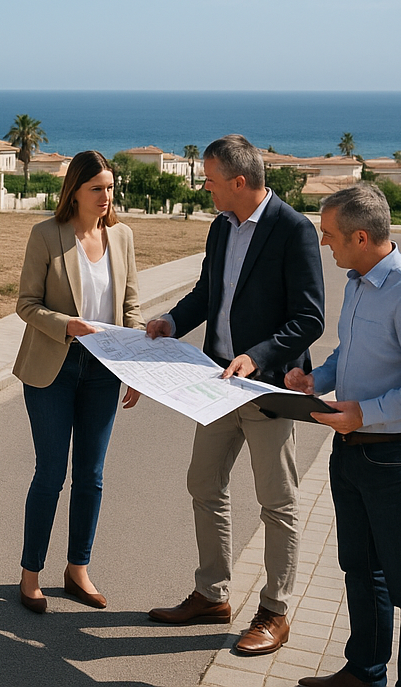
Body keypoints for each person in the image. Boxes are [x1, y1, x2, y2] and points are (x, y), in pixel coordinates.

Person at [145, 134, 324, 657]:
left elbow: (310, 317)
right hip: (215, 384)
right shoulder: (221, 228)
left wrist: (261, 355)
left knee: (277, 503)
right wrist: (172, 321)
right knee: (204, 483)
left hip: (265, 389)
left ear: (240, 182)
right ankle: (211, 594)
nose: (206, 189)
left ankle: (274, 611)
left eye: (211, 180)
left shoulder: (293, 230)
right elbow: (209, 292)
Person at [286, 183, 401, 687]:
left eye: (329, 233)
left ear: (361, 236)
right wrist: (320, 380)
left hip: (397, 457)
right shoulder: (359, 281)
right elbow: (349, 353)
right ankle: (364, 672)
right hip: (352, 452)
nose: (322, 241)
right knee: (360, 569)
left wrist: (365, 413)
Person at [14, 150, 143, 614]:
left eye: (110, 187)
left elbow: (131, 308)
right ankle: (31, 576)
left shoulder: (123, 237)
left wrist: (136, 368)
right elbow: (26, 305)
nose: (107, 196)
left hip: (103, 372)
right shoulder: (46, 235)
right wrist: (66, 324)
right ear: (76, 190)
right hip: (53, 369)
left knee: (91, 475)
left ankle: (77, 570)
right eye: (97, 188)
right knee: (50, 474)